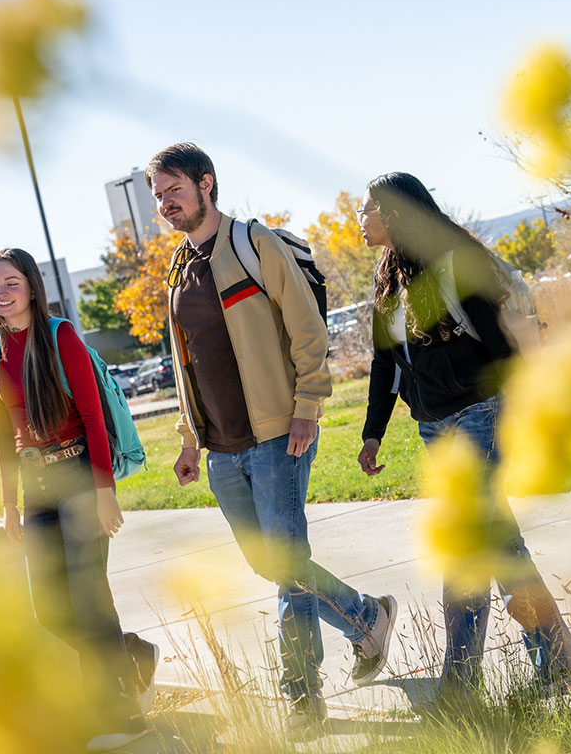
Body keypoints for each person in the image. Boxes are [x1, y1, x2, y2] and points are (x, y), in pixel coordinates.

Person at [148, 143, 398, 737]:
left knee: (286, 565)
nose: (165, 203)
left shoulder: (255, 244)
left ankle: (302, 699)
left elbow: (307, 330)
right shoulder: (178, 275)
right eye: (157, 195)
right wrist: (189, 440)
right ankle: (367, 618)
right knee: (270, 563)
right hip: (222, 451)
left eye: (173, 189)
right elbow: (187, 368)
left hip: (277, 434)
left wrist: (308, 406)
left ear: (206, 183)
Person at [354, 172, 571, 701]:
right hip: (434, 426)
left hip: (481, 412)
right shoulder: (388, 277)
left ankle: (459, 682)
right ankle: (557, 655)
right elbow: (386, 364)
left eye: (367, 210)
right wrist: (372, 434)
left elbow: (504, 348)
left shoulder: (453, 260)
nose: (359, 220)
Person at [0, 248, 157, 752]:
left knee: (90, 602)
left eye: (10, 282)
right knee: (52, 611)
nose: (1, 292)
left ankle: (122, 715)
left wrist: (105, 492)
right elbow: (0, 430)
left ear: (32, 286)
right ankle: (133, 658)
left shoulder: (60, 336)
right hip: (34, 492)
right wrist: (8, 504)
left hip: (79, 476)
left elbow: (95, 417)